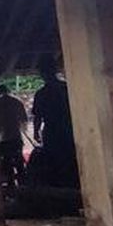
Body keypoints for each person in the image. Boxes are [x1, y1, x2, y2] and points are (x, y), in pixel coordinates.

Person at [32, 56, 78, 188]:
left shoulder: (42, 93)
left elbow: (38, 117)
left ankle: (60, 186)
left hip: (53, 131)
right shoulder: (66, 89)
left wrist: (36, 132)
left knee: (55, 161)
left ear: (42, 73)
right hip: (68, 128)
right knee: (70, 158)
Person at [0, 83, 28, 184]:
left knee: (6, 162)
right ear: (8, 91)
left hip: (2, 138)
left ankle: (10, 184)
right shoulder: (16, 102)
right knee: (19, 161)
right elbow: (24, 120)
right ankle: (22, 184)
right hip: (16, 136)